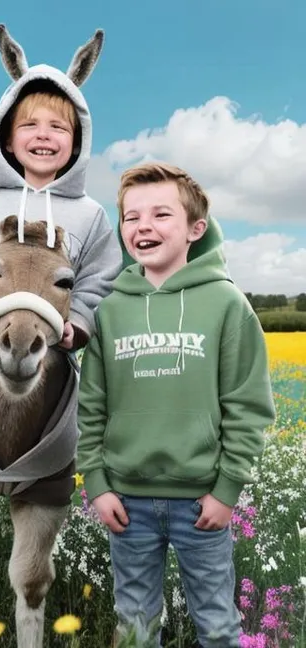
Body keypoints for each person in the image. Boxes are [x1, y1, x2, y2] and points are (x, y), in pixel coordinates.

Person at [77, 162, 275, 647]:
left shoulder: (227, 304)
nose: (143, 226)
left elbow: (248, 406)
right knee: (136, 628)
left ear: (195, 229)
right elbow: (91, 406)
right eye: (131, 217)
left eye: (161, 214)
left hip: (201, 503)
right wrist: (98, 484)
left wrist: (227, 489)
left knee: (216, 623)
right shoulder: (110, 309)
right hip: (126, 502)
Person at [0, 26, 121, 353]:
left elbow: (99, 280)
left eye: (58, 127)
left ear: (77, 142)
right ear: (6, 137)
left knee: (80, 396)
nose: (44, 136)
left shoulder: (90, 215)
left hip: (52, 352)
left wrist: (77, 324)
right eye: (29, 125)